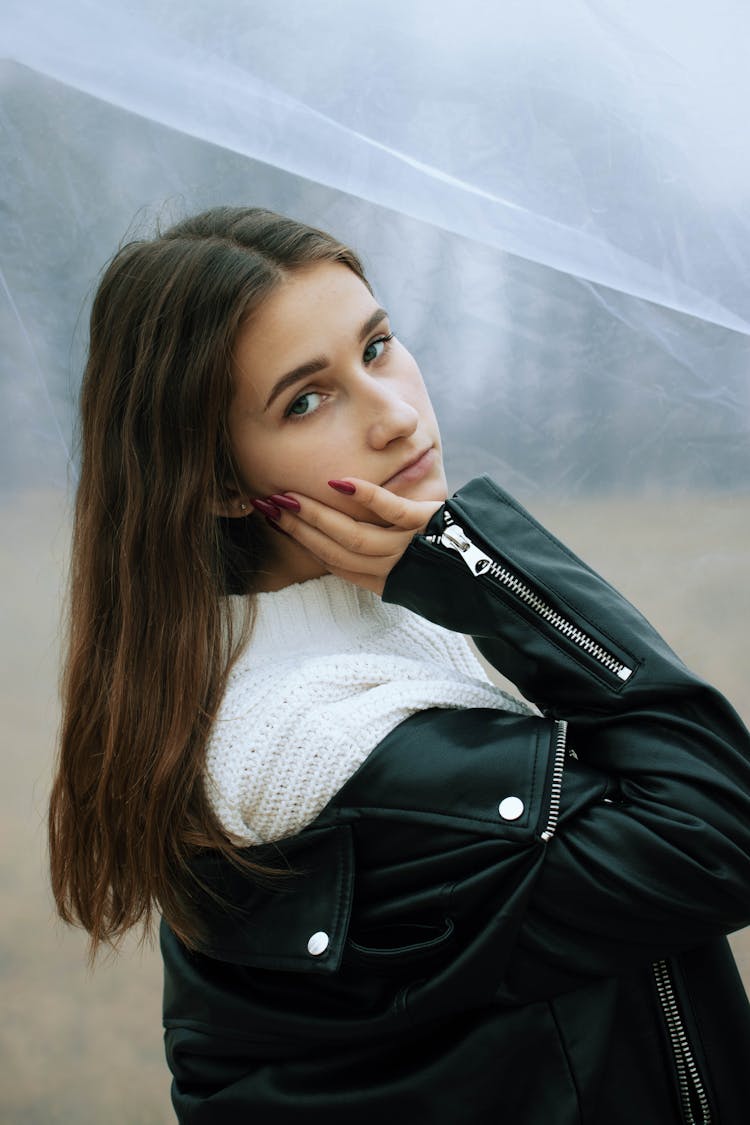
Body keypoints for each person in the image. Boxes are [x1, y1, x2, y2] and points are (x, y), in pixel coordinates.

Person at [49, 205, 750, 1124]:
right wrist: (492, 569)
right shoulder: (317, 745)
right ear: (222, 483)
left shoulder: (387, 639)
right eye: (306, 399)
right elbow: (722, 831)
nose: (394, 413)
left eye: (376, 346)